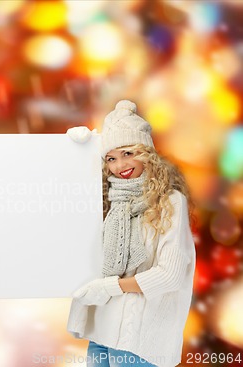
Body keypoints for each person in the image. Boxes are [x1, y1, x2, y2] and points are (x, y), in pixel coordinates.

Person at [66, 100, 195, 367]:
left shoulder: (170, 201)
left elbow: (170, 275)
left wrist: (110, 287)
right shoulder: (105, 200)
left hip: (140, 342)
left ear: (145, 151)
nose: (119, 166)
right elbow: (58, 210)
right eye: (110, 158)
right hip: (101, 331)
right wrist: (73, 153)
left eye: (127, 153)